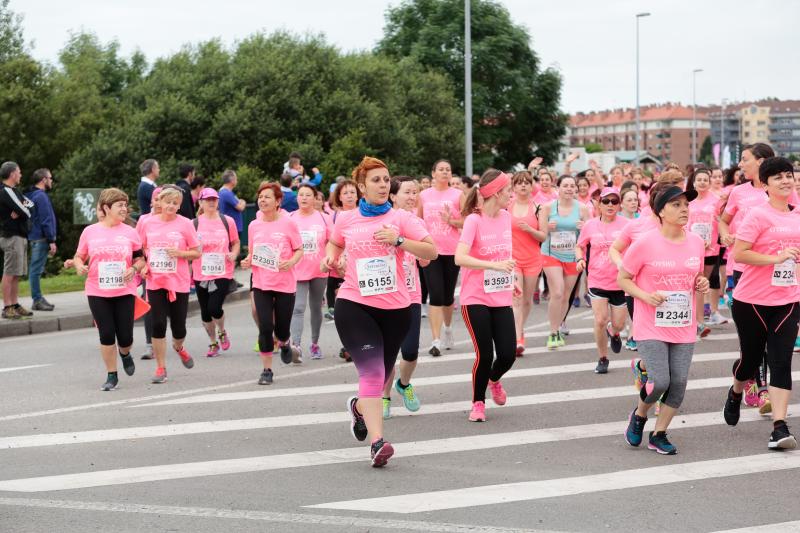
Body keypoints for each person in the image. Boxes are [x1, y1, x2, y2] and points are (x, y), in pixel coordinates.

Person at [324, 156, 435, 467]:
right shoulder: (345, 219)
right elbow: (334, 245)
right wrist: (330, 258)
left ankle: (360, 409)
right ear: (362, 186)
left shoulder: (402, 219)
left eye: (386, 180)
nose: (383, 185)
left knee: (383, 372)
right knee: (372, 372)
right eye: (376, 180)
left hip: (396, 308)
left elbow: (432, 251)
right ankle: (377, 442)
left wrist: (400, 241)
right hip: (354, 303)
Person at [620, 185, 708, 455]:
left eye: (685, 205)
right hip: (650, 324)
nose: (684, 210)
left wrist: (702, 284)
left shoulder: (695, 242)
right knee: (660, 381)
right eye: (676, 205)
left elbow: (696, 278)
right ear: (660, 212)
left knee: (679, 382)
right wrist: (645, 296)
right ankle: (639, 414)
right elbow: (622, 279)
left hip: (683, 324)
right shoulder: (645, 243)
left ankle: (659, 434)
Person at [723, 157, 800, 450]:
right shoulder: (757, 215)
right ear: (765, 184)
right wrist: (774, 259)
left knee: (781, 361)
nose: (784, 180)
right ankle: (736, 390)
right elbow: (740, 254)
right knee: (752, 361)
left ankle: (779, 427)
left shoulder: (797, 216)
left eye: (788, 175)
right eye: (777, 177)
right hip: (751, 300)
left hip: (788, 299)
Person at [455, 169, 519, 422]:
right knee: (485, 353)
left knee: (507, 354)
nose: (510, 195)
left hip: (500, 294)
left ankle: (494, 380)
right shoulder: (474, 220)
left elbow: (504, 256)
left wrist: (510, 279)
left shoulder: (505, 217)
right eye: (507, 191)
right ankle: (478, 402)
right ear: (495, 192)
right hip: (475, 297)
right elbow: (460, 257)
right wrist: (493, 267)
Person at [73, 188, 145, 390]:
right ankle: (112, 375)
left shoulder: (130, 232)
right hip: (97, 290)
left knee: (125, 337)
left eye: (125, 204)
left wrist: (133, 268)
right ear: (106, 207)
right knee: (106, 333)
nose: (124, 209)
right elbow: (79, 256)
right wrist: (79, 265)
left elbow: (140, 259)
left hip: (124, 290)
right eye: (120, 205)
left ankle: (125, 353)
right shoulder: (90, 231)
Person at [241, 182, 303, 384]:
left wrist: (291, 262)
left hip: (285, 283)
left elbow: (299, 250)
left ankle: (284, 343)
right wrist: (247, 260)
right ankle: (267, 370)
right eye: (260, 197)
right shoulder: (254, 225)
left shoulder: (288, 223)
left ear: (277, 201)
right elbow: (252, 252)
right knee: (266, 327)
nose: (262, 200)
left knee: (282, 329)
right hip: (261, 283)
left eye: (267, 197)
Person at [140, 186, 201, 383]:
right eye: (168, 202)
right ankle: (160, 368)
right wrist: (142, 266)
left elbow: (197, 251)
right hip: (155, 281)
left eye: (175, 203)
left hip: (178, 281)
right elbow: (139, 251)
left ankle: (179, 347)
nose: (171, 206)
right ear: (159, 202)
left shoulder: (185, 224)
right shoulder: (148, 223)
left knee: (179, 327)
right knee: (158, 324)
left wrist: (181, 254)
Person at [382, 176, 429, 419]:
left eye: (415, 192)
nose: (412, 197)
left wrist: (409, 245)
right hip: (387, 296)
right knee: (387, 352)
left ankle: (404, 383)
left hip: (410, 294)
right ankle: (385, 396)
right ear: (392, 196)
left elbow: (427, 258)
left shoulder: (417, 222)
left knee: (410, 351)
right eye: (407, 192)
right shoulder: (382, 221)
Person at [576, 188, 629, 373]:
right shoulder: (590, 225)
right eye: (606, 201)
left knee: (619, 324)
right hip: (597, 279)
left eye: (614, 201)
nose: (610, 205)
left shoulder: (627, 225)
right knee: (600, 320)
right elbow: (579, 246)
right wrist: (580, 259)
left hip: (620, 281)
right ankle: (602, 358)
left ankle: (614, 333)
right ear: (599, 204)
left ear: (619, 204)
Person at [538, 175, 590, 349]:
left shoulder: (582, 209)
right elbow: (540, 233)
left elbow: (590, 234)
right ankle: (553, 332)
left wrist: (583, 227)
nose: (569, 188)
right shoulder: (547, 208)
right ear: (558, 188)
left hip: (573, 255)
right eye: (565, 185)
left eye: (572, 186)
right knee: (558, 292)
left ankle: (559, 326)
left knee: (566, 295)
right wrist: (547, 228)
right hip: (551, 253)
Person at [418, 159, 463, 356]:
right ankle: (435, 340)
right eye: (441, 169)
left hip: (452, 250)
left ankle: (448, 329)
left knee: (447, 296)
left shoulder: (458, 195)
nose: (445, 172)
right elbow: (417, 220)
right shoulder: (424, 195)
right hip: (431, 250)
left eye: (448, 170)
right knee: (435, 294)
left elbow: (467, 220)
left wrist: (451, 221)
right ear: (433, 173)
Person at [192, 188, 240, 357]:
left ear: (218, 201)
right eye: (207, 199)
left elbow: (235, 242)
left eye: (214, 199)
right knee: (205, 313)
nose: (211, 202)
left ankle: (222, 330)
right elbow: (188, 248)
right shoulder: (194, 224)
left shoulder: (227, 221)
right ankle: (213, 342)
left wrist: (234, 254)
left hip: (222, 271)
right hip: (200, 272)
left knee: (214, 308)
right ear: (201, 202)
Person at [289, 184, 330, 360]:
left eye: (308, 195)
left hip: (318, 269)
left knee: (315, 308)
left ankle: (314, 343)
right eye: (301, 195)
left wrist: (328, 258)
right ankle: (296, 346)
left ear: (315, 198)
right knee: (298, 307)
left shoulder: (324, 218)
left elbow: (332, 241)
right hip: (297, 270)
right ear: (297, 198)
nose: (304, 198)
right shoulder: (290, 218)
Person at [510, 171, 545, 355]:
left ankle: (520, 328)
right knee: (516, 298)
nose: (523, 186)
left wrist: (530, 229)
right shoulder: (507, 206)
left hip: (532, 259)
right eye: (519, 183)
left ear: (532, 186)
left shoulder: (539, 208)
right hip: (513, 259)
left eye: (526, 183)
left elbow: (543, 235)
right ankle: (517, 337)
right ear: (513, 186)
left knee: (526, 300)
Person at [686, 167, 722, 334]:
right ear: (693, 183)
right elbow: (685, 226)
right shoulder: (688, 203)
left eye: (705, 180)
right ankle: (697, 322)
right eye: (699, 179)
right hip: (693, 249)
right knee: (695, 284)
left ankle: (698, 321)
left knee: (702, 284)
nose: (702, 182)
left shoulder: (717, 201)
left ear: (709, 182)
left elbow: (722, 222)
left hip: (711, 248)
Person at [324, 178, 359, 334]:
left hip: (362, 266)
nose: (350, 196)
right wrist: (334, 259)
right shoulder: (335, 217)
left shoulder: (365, 213)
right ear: (339, 196)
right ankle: (350, 342)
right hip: (341, 266)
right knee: (344, 306)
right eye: (346, 193)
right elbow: (332, 242)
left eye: (353, 192)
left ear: (358, 195)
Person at [0, 162, 34, 320]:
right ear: (12, 173)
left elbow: (31, 205)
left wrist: (21, 209)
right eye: (19, 172)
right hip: (11, 237)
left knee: (16, 273)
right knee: (9, 273)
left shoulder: (15, 192)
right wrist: (21, 209)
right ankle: (7, 307)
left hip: (20, 236)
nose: (21, 175)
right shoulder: (5, 191)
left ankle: (14, 304)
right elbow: (25, 211)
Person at [27, 168, 57, 311]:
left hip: (35, 237)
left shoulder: (31, 195)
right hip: (41, 238)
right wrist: (51, 240)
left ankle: (38, 298)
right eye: (50, 178)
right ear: (43, 180)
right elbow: (46, 220)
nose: (51, 181)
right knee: (35, 270)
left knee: (35, 270)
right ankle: (37, 299)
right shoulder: (41, 196)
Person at [218, 169, 247, 239]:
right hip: (232, 227)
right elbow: (240, 207)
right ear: (232, 180)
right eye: (236, 178)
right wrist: (243, 202)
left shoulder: (226, 192)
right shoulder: (226, 193)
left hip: (232, 227)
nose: (237, 180)